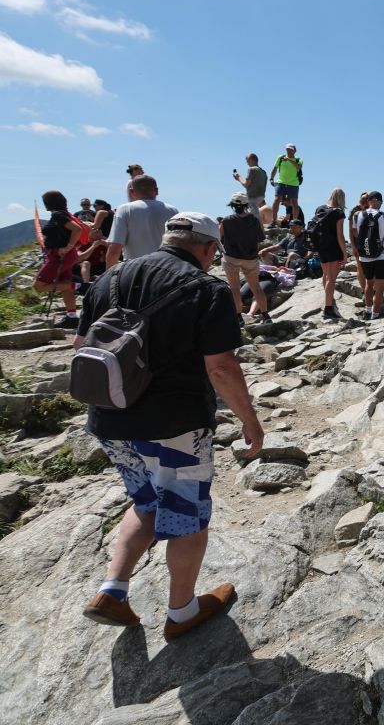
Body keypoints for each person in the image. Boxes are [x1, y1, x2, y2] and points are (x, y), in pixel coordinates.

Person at [77, 211, 263, 640]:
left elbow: (81, 345)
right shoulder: (207, 288)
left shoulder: (110, 280)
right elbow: (220, 368)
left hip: (108, 418)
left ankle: (113, 590)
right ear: (207, 248)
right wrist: (249, 420)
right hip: (173, 425)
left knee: (145, 502)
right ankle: (181, 611)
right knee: (186, 517)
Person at [34, 190, 84, 329]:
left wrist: (67, 247)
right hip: (64, 255)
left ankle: (81, 286)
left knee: (38, 285)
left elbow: (77, 229)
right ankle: (72, 317)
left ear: (49, 203)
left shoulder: (58, 215)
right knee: (64, 285)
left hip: (59, 256)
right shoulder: (63, 214)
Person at [351, 191, 384, 320]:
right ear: (379, 201)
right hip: (382, 255)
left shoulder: (357, 215)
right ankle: (376, 314)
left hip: (364, 256)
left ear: (368, 201)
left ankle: (368, 310)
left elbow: (355, 233)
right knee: (379, 287)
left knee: (369, 284)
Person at [106, 175, 179, 265]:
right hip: (166, 269)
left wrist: (109, 276)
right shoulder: (172, 210)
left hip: (136, 269)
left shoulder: (124, 209)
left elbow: (114, 250)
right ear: (156, 191)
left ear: (132, 192)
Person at [219, 193, 270, 324]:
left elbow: (220, 237)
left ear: (232, 205)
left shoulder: (227, 220)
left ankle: (239, 318)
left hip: (231, 257)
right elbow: (259, 240)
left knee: (235, 288)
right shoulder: (254, 220)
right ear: (246, 204)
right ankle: (265, 316)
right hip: (250, 258)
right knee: (256, 288)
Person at [308, 187, 348, 320]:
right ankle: (328, 308)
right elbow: (340, 235)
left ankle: (328, 301)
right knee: (331, 279)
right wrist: (345, 253)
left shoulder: (320, 208)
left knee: (325, 276)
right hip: (333, 248)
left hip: (321, 248)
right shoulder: (339, 213)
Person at [269, 143, 303, 225]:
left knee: (294, 202)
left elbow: (299, 167)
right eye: (287, 149)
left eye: (291, 149)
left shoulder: (299, 159)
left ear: (295, 151)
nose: (289, 151)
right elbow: (275, 168)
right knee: (277, 199)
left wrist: (289, 160)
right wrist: (271, 178)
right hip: (281, 182)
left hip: (293, 183)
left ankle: (294, 222)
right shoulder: (280, 158)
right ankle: (274, 220)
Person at [348, 192, 371, 300]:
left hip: (370, 242)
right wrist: (353, 246)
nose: (364, 201)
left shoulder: (371, 210)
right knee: (360, 267)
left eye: (366, 199)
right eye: (363, 199)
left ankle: (370, 289)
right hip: (359, 242)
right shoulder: (354, 211)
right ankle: (363, 290)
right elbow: (351, 230)